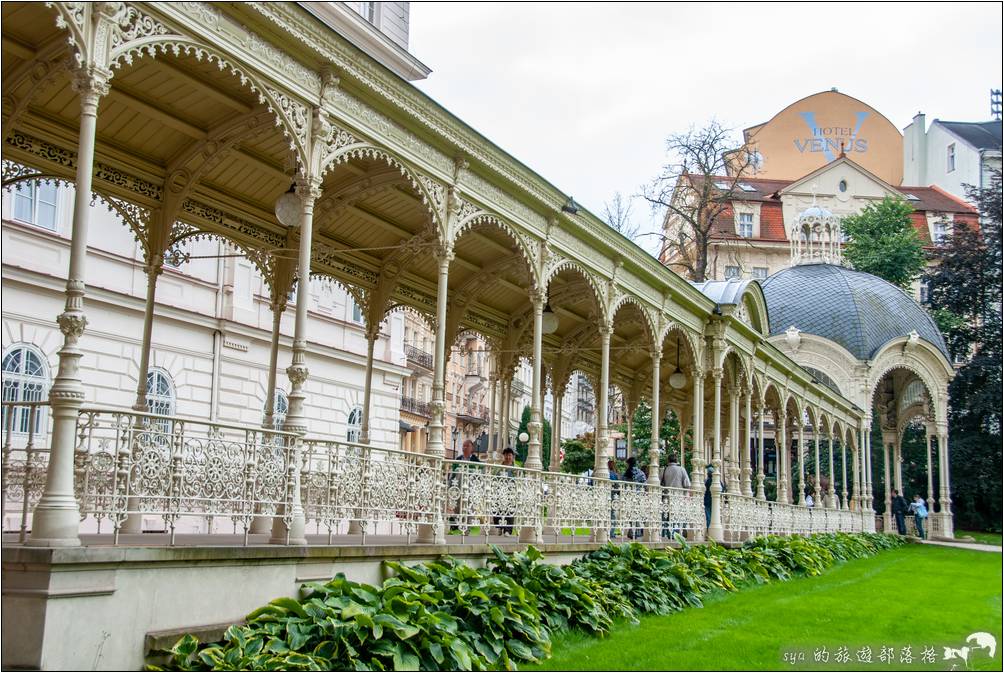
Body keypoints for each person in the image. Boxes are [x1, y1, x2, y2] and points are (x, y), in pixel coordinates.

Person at [449, 439, 482, 533]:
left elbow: (479, 475)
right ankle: (458, 525)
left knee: (469, 506)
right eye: (464, 445)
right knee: (457, 506)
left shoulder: (476, 460)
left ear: (472, 448)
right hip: (458, 486)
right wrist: (451, 485)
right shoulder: (458, 459)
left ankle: (467, 527)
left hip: (470, 488)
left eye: (467, 446)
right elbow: (453, 473)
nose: (465, 447)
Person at [661, 454, 691, 539]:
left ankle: (666, 533)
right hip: (678, 496)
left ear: (668, 461)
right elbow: (687, 484)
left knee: (667, 515)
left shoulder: (665, 470)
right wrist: (685, 495)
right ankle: (676, 534)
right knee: (677, 516)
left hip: (667, 497)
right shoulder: (681, 469)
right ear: (676, 460)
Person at [493, 448, 516, 535]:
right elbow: (494, 477)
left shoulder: (515, 468)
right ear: (503, 456)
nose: (508, 457)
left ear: (512, 457)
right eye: (506, 455)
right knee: (497, 510)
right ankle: (500, 527)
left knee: (510, 511)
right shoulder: (498, 467)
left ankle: (508, 530)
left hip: (511, 492)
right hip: (499, 491)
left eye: (509, 455)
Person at [624, 456, 647, 539]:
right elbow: (645, 484)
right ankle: (635, 532)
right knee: (637, 514)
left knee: (631, 514)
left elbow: (623, 483)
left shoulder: (626, 473)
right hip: (638, 496)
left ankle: (631, 531)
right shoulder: (640, 473)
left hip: (629, 496)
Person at [703, 464, 726, 529]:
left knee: (709, 516)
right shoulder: (717, 481)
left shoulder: (708, 481)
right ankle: (710, 529)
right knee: (712, 516)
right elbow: (723, 489)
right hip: (712, 501)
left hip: (708, 501)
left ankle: (709, 529)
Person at [607, 459, 620, 538]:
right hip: (613, 494)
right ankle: (611, 532)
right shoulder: (613, 474)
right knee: (613, 514)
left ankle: (609, 532)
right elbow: (617, 484)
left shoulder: (608, 473)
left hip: (609, 494)